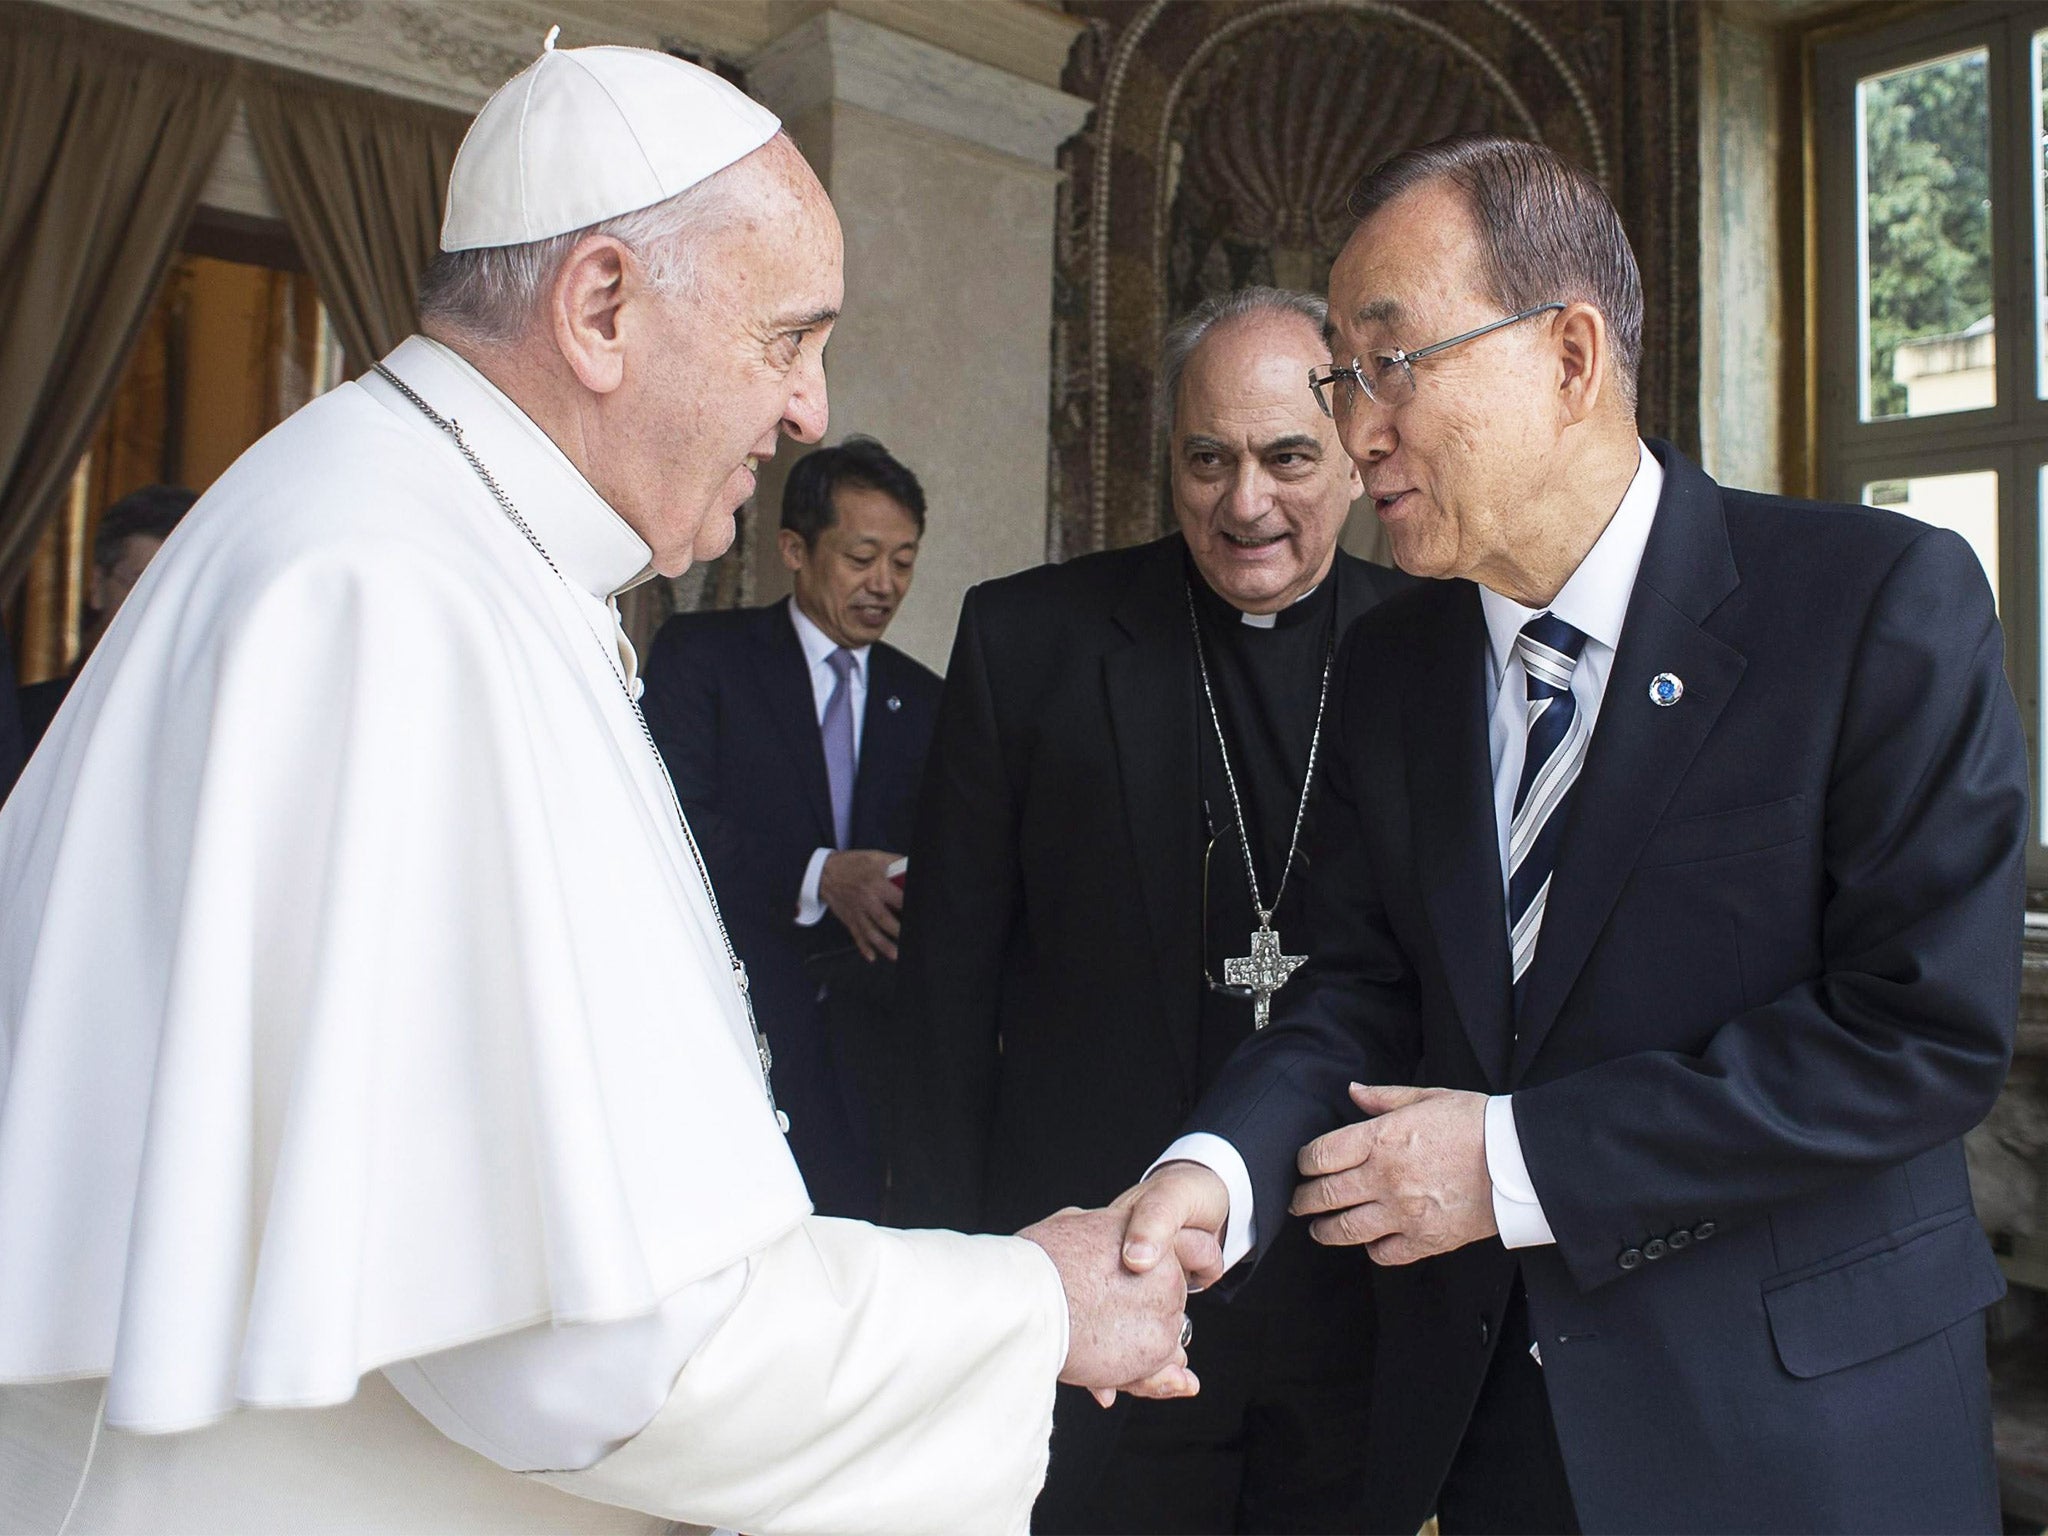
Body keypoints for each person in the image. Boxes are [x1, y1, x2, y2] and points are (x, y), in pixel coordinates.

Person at [0, 41, 1203, 1536]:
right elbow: (605, 1358)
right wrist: (1034, 1305)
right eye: (787, 340)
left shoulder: (415, 530)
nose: (811, 412)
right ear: (603, 306)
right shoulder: (398, 599)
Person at [1116, 134, 2025, 1535]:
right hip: (1487, 1442)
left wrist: (1514, 1162)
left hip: (1799, 1444)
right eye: (1341, 382)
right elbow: (1365, 988)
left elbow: (1918, 1035)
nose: (1360, 430)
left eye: (1392, 363)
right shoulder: (1393, 666)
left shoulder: (1875, 604)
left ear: (1570, 355)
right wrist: (1213, 1170)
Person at [895, 288, 1411, 1534]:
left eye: (1288, 457)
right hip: (1092, 1292)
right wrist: (947, 1295)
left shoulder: (1434, 649)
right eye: (1207, 460)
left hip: (1356, 1308)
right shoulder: (1029, 642)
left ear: (1353, 451)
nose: (1245, 503)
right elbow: (944, 999)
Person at [644, 434, 940, 1221]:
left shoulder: (933, 701)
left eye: (904, 562)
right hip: (722, 1036)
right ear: (795, 550)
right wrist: (819, 875)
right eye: (862, 557)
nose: (884, 585)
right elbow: (664, 832)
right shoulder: (703, 659)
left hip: (867, 1067)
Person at [16, 483, 194, 754]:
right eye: (141, 584)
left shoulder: (233, 724)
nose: (161, 607)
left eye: (184, 588)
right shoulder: (23, 724)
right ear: (98, 586)